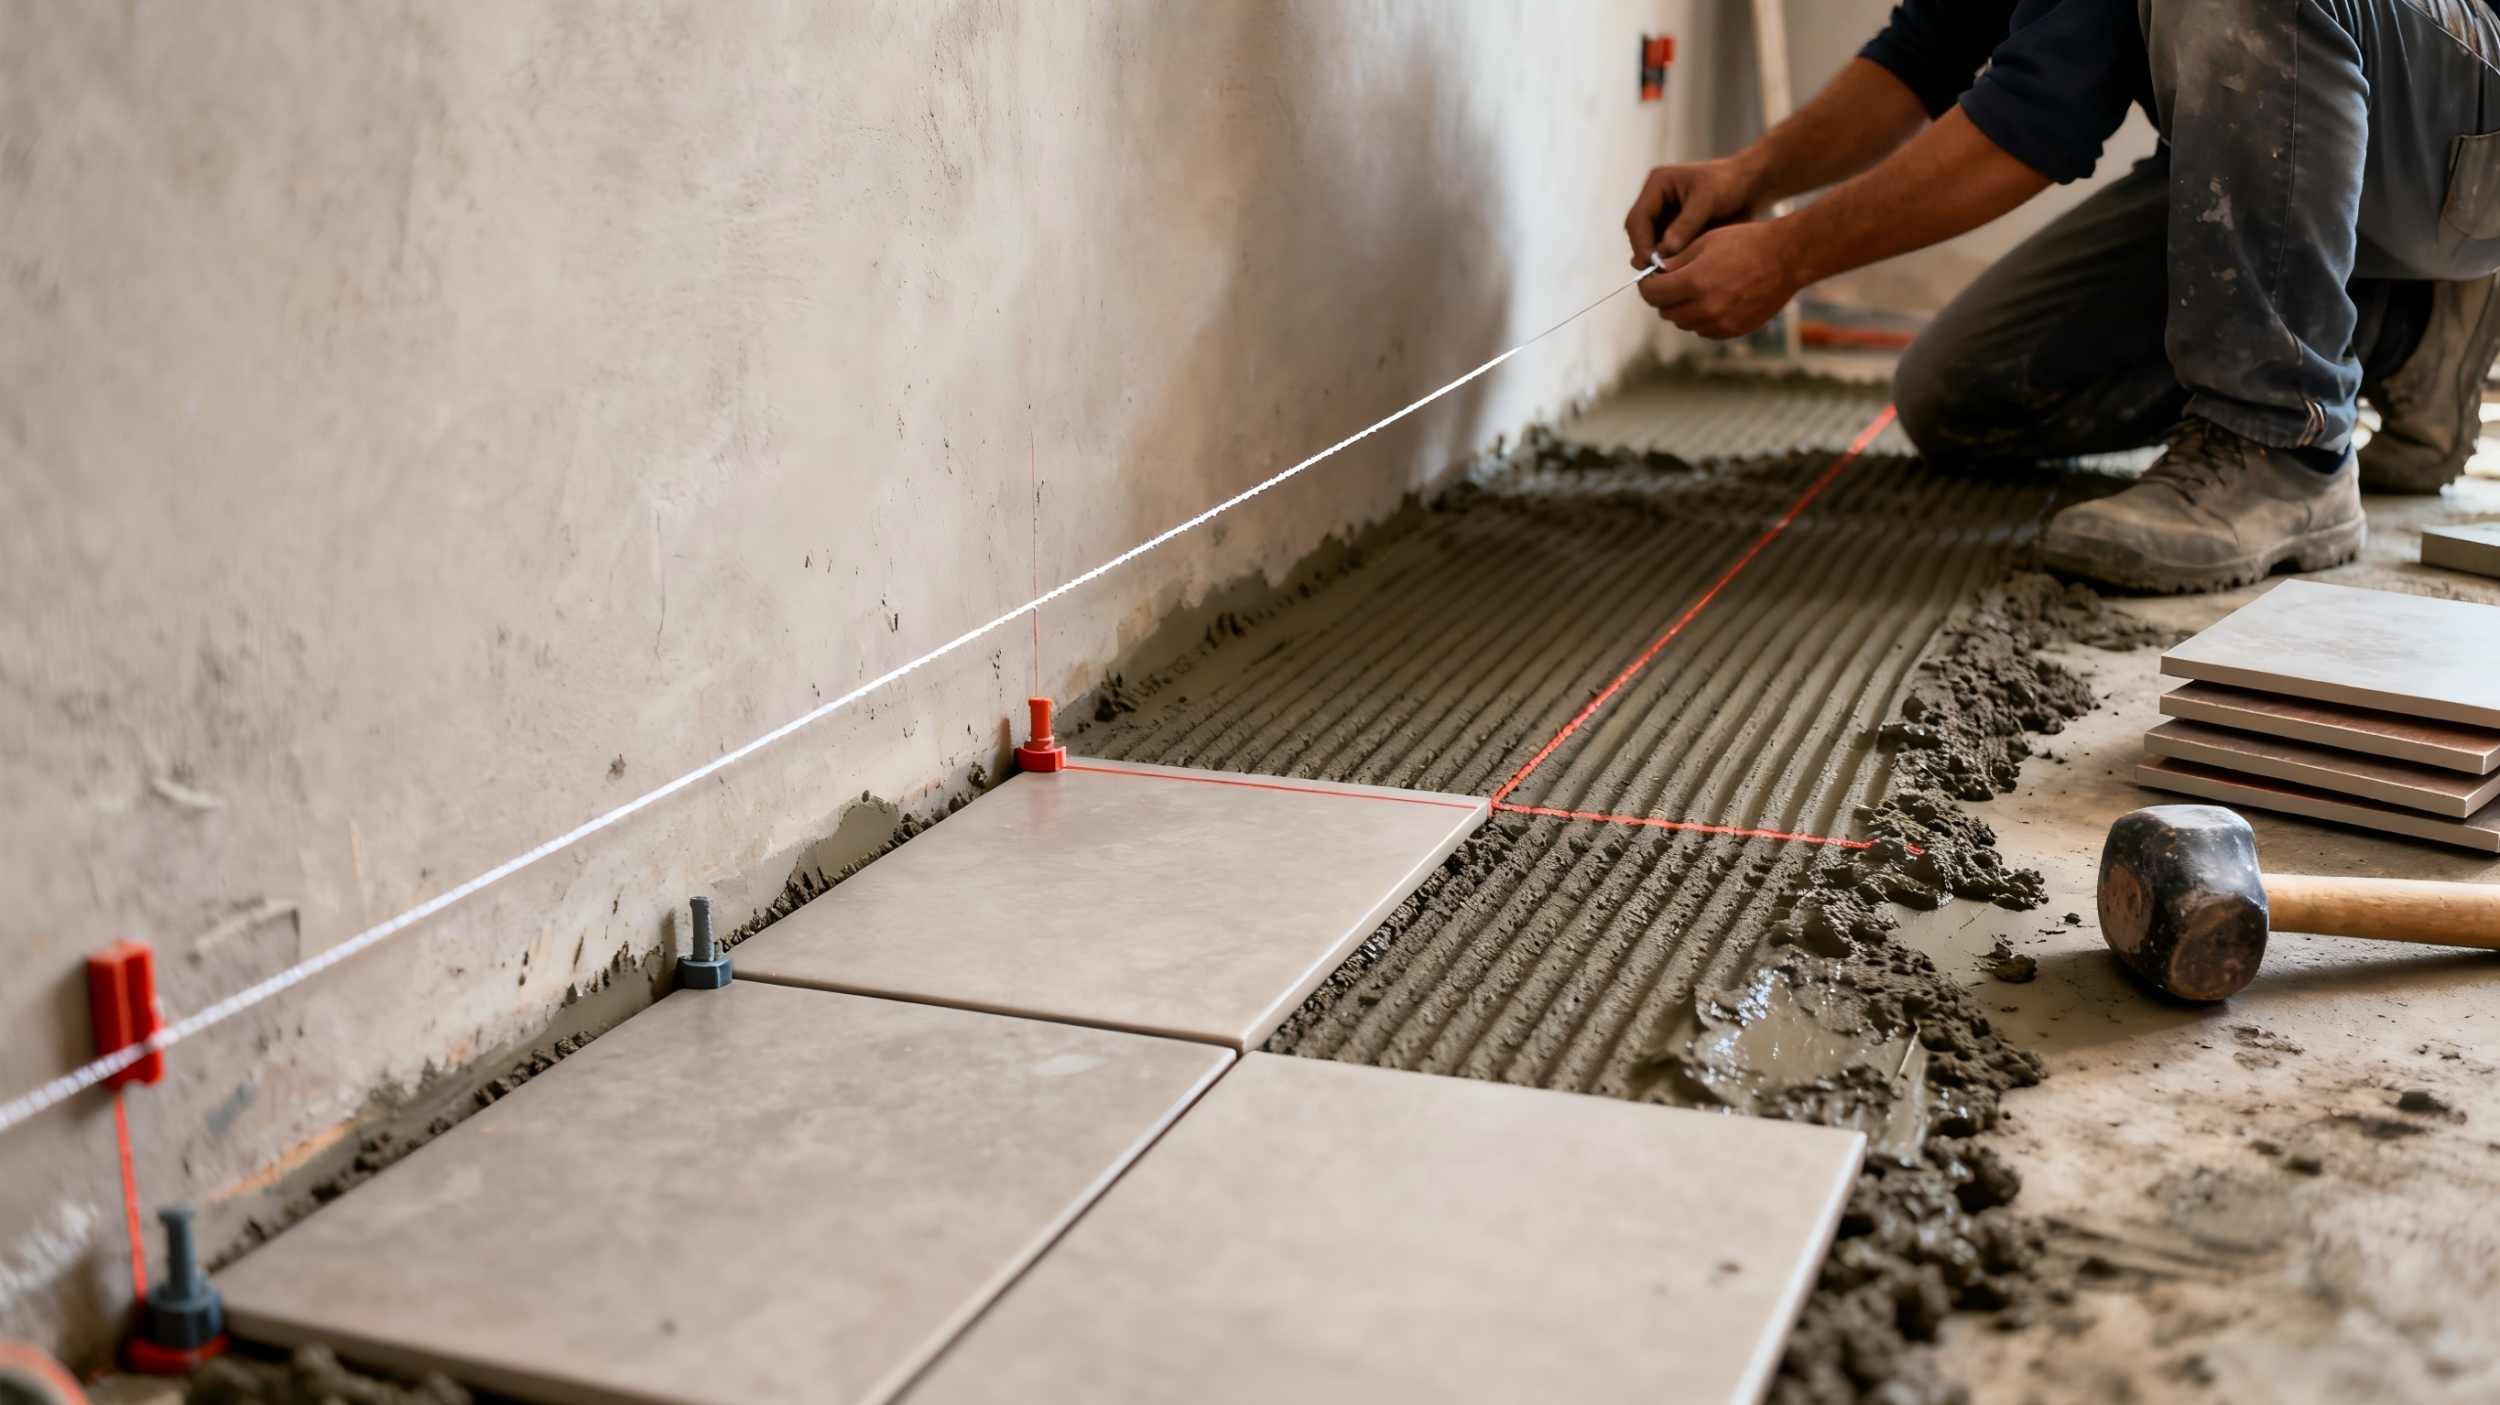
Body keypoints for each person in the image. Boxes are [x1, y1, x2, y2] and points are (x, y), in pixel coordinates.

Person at [1624, 0, 2500, 593]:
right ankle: (2407, 327)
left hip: (2468, 118)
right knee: (1962, 393)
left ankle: (2282, 440)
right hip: (2325, 150)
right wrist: (1752, 175)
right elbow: (1928, 49)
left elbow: (2040, 113)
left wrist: (1786, 255)